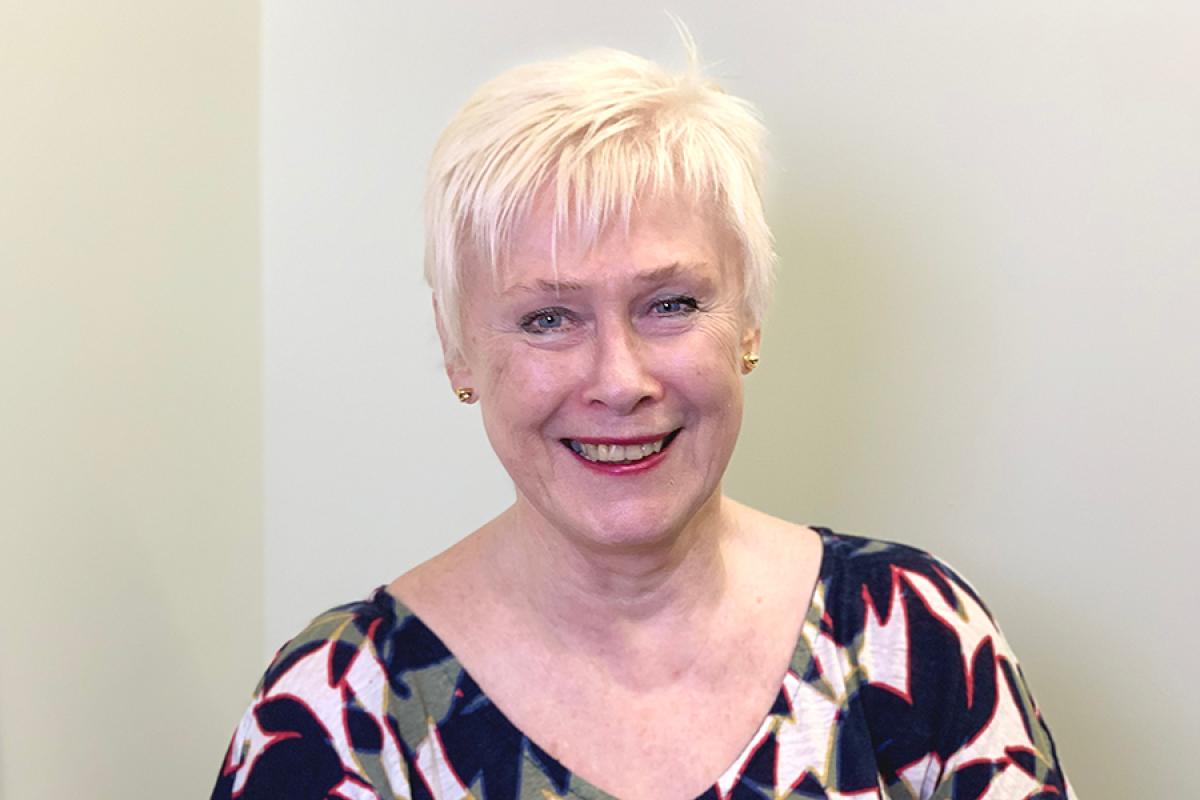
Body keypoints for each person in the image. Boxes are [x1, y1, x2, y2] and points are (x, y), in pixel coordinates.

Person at [212, 42, 1074, 800]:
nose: (619, 382)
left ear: (748, 324)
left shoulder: (915, 639)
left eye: (670, 303)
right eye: (549, 318)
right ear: (458, 351)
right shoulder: (338, 712)